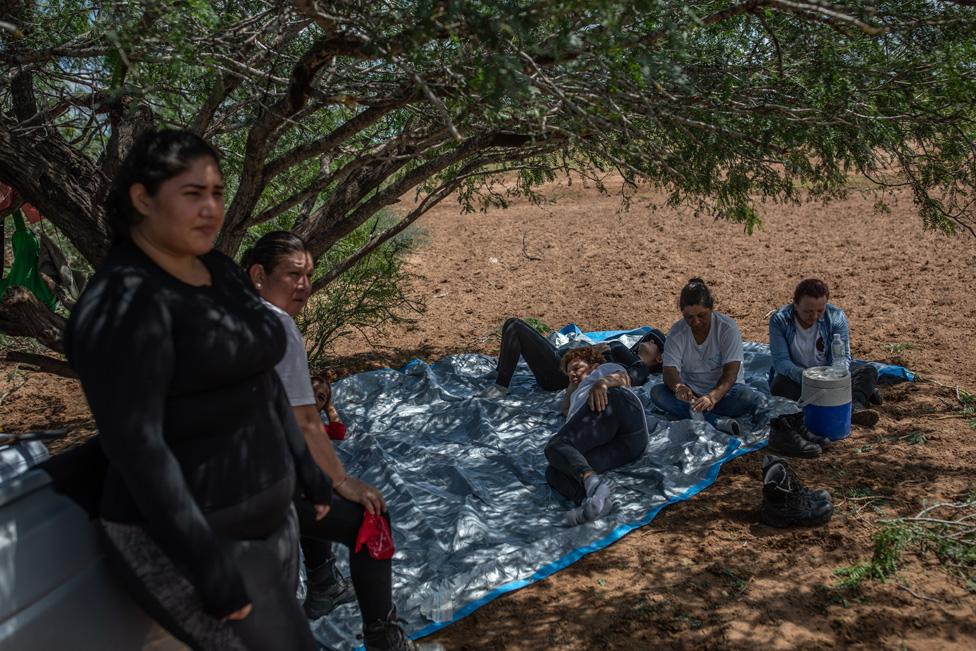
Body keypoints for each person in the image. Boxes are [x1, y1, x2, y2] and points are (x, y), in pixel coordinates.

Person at [65, 129, 332, 651]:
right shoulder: (121, 306)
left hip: (269, 514)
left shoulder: (218, 270)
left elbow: (260, 376)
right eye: (192, 194)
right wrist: (207, 564)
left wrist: (306, 467)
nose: (211, 208)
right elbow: (138, 449)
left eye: (216, 192)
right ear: (142, 198)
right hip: (197, 540)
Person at [242, 231, 426, 651]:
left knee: (311, 480)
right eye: (292, 274)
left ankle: (324, 583)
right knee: (369, 516)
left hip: (228, 474)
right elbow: (307, 421)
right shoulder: (278, 326)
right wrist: (344, 481)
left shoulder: (232, 315)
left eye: (308, 275)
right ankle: (384, 636)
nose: (304, 285)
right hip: (254, 487)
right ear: (258, 274)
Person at [544, 347, 649, 526]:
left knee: (556, 445)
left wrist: (602, 383)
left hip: (619, 408)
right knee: (554, 471)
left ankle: (593, 484)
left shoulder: (602, 371)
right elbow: (565, 410)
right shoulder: (578, 393)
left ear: (594, 366)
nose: (572, 374)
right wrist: (572, 385)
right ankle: (595, 502)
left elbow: (624, 378)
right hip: (627, 446)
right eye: (569, 372)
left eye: (576, 367)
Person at [650, 278, 759, 434]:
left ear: (711, 308)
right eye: (689, 317)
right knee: (657, 393)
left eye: (702, 315)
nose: (696, 322)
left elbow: (731, 373)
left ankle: (698, 415)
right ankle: (715, 421)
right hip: (691, 395)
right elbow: (669, 371)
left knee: (746, 397)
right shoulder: (677, 332)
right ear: (682, 313)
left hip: (724, 394)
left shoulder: (727, 328)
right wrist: (679, 386)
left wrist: (712, 397)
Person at [768, 278, 880, 427]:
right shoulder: (780, 320)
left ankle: (855, 407)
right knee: (779, 386)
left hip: (829, 376)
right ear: (795, 305)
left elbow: (843, 356)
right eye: (808, 311)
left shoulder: (836, 317)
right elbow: (781, 361)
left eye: (820, 311)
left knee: (868, 370)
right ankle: (853, 395)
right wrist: (810, 379)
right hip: (798, 378)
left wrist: (832, 378)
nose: (814, 317)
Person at [482, 317, 666, 396]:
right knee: (510, 325)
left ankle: (501, 386)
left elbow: (625, 378)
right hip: (560, 359)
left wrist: (607, 352)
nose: (648, 341)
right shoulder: (629, 355)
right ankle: (502, 369)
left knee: (515, 327)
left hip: (558, 373)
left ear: (659, 358)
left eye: (653, 343)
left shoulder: (640, 368)